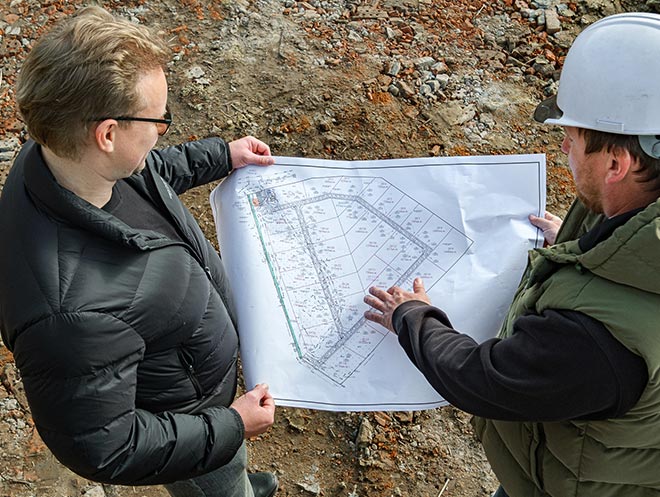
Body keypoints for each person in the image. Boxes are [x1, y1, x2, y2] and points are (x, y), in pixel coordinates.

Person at [364, 12, 660, 497]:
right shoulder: (637, 216)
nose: (563, 145)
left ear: (616, 163)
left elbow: (488, 380)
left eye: (574, 137)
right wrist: (578, 250)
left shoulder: (596, 341)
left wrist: (413, 317)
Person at [0, 6, 279, 497]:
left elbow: (148, 171)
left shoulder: (61, 155)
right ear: (107, 134)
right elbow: (108, 447)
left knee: (232, 468)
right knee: (219, 486)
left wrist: (220, 156)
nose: (162, 128)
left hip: (197, 380)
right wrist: (230, 426)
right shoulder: (69, 318)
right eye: (158, 119)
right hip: (188, 419)